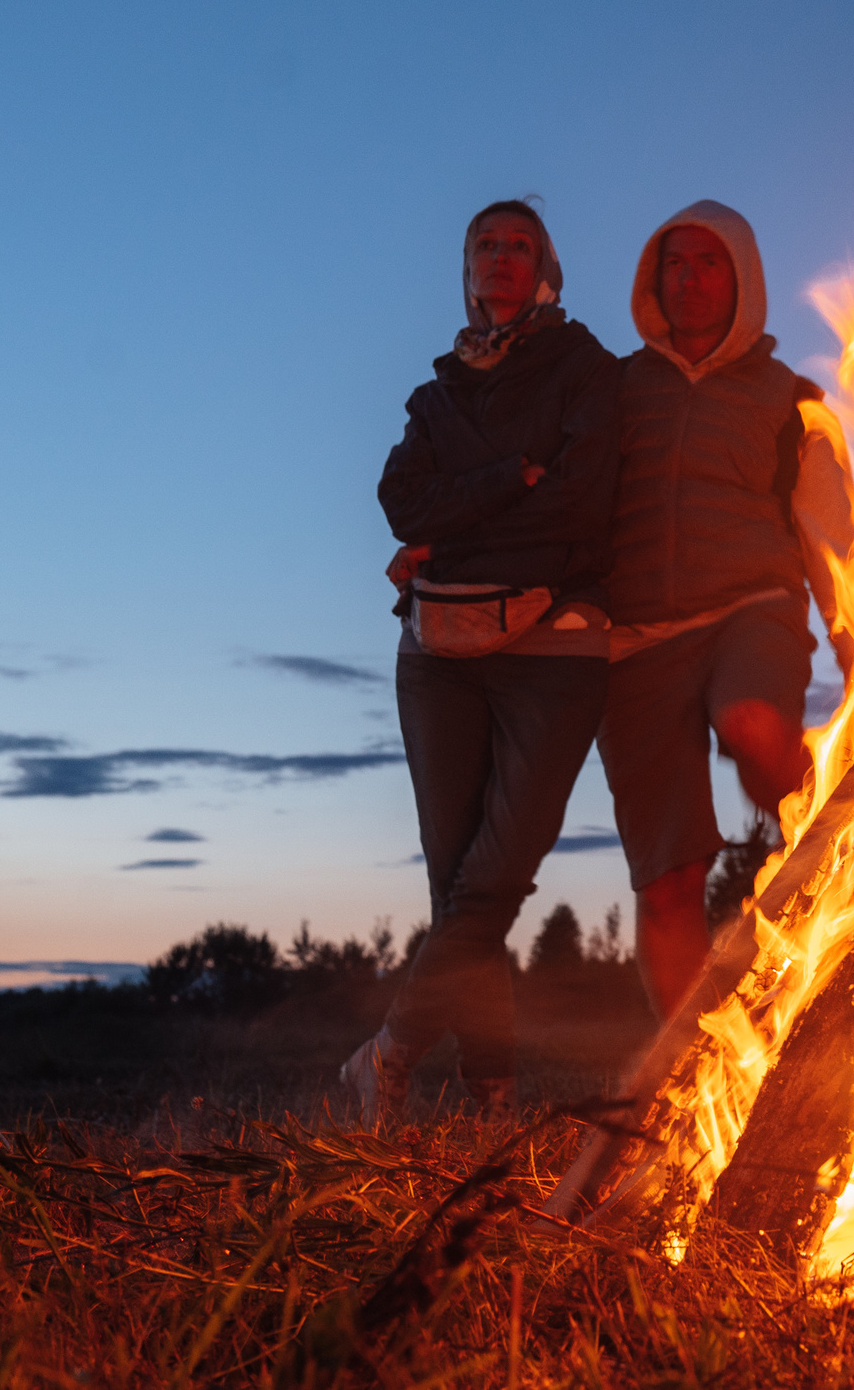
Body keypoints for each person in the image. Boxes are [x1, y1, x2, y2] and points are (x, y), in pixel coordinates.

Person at [345, 201, 625, 1124]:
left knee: (494, 878)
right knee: (458, 883)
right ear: (465, 270)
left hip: (556, 643)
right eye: (483, 246)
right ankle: (492, 1093)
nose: (499, 259)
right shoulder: (439, 394)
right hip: (439, 651)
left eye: (517, 246)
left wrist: (451, 528)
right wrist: (512, 477)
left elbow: (580, 508)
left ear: (546, 266)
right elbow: (399, 501)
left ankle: (387, 1056)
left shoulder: (583, 369)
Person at [604, 200, 854, 1017]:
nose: (691, 278)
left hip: (754, 606)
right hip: (636, 640)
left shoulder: (792, 400)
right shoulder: (613, 391)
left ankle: (835, 828)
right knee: (669, 879)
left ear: (743, 277)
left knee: (752, 722)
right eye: (674, 263)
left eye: (709, 262)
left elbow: (835, 537)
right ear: (655, 280)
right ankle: (672, 1077)